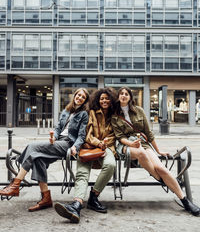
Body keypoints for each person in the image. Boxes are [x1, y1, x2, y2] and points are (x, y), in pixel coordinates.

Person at [111, 87, 200, 217]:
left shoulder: (139, 111)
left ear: (130, 97)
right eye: (121, 94)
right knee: (141, 153)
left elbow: (148, 133)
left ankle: (185, 201)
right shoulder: (114, 116)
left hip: (143, 143)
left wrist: (158, 150)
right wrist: (131, 143)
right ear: (118, 97)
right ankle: (163, 181)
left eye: (126, 94)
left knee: (160, 168)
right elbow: (120, 137)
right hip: (125, 146)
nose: (123, 96)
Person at [0, 88, 89, 212]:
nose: (79, 98)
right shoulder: (66, 111)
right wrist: (54, 137)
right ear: (74, 96)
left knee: (32, 147)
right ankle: (46, 198)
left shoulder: (84, 114)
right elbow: (58, 128)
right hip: (58, 142)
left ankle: (16, 184)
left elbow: (81, 135)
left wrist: (75, 146)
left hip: (68, 144)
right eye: (78, 95)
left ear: (85, 101)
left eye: (83, 97)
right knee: (38, 159)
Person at [54, 87, 117, 223]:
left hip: (107, 148)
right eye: (102, 98)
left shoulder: (115, 115)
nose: (104, 101)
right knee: (82, 173)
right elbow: (87, 134)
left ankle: (94, 197)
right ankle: (76, 205)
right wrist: (98, 143)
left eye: (107, 98)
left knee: (111, 164)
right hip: (88, 147)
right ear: (97, 100)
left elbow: (114, 135)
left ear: (111, 100)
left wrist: (105, 145)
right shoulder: (91, 113)